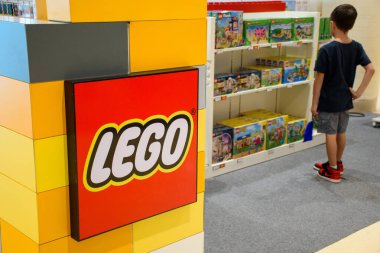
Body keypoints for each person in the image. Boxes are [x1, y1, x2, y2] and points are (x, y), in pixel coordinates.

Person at [311, 4, 375, 183]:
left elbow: (319, 80)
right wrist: (359, 92)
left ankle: (332, 171)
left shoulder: (326, 50)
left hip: (329, 101)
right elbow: (370, 69)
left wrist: (314, 104)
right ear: (351, 25)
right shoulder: (356, 47)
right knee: (341, 132)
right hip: (345, 100)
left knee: (330, 135)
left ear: (332, 24)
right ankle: (336, 163)